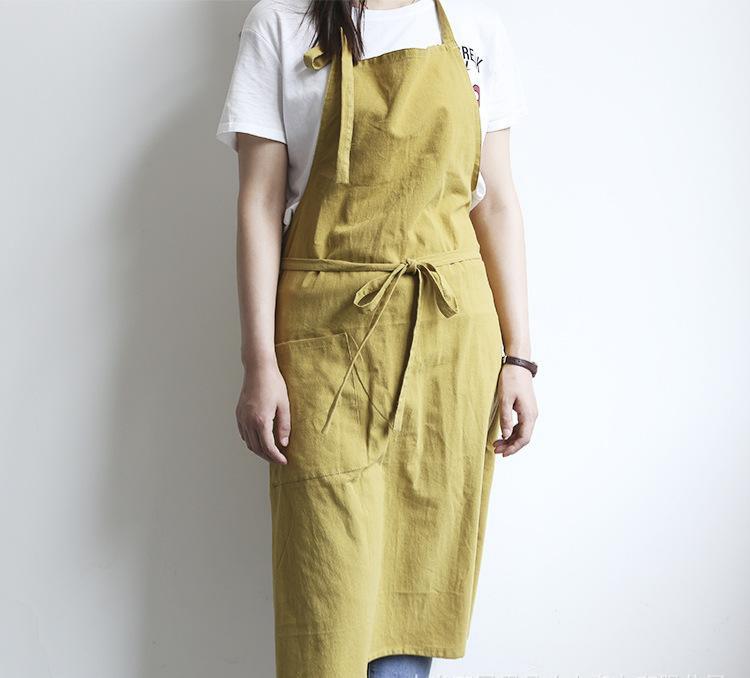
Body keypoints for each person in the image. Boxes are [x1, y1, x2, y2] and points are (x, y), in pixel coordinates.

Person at [215, 0, 538, 675]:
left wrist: (519, 358)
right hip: (326, 344)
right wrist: (258, 361)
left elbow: (497, 202)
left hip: (449, 345)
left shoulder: (475, 28)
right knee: (326, 595)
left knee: (414, 589)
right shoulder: (281, 23)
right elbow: (260, 203)